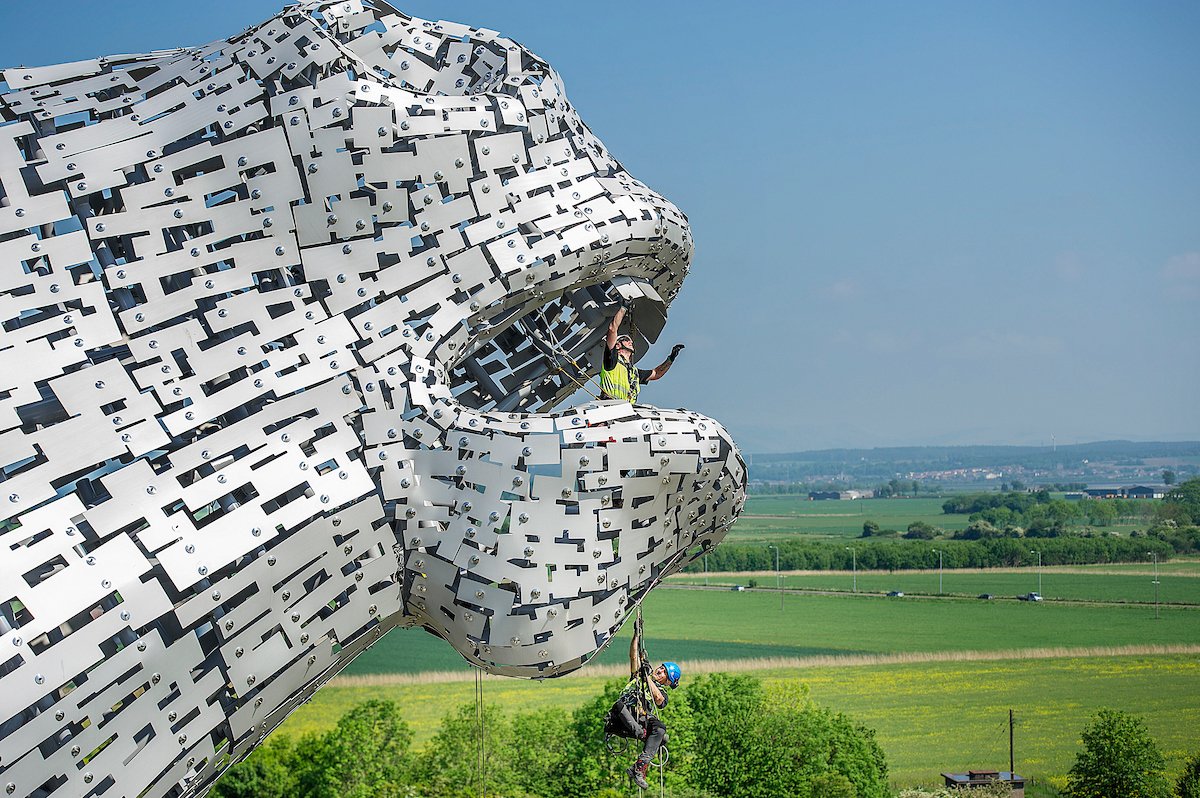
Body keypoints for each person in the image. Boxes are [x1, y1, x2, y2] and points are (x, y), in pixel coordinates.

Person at [604, 617, 682, 789]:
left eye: (663, 672)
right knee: (650, 733)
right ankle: (651, 739)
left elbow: (658, 698)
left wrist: (647, 677)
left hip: (638, 719)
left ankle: (639, 768)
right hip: (622, 713)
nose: (659, 670)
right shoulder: (639, 675)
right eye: (660, 668)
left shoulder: (660, 691)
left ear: (667, 681)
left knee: (660, 728)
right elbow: (634, 655)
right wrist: (636, 634)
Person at [599, 302, 684, 403]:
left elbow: (656, 373)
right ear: (617, 345)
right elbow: (612, 329)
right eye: (626, 340)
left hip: (626, 409)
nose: (630, 342)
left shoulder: (634, 373)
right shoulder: (611, 361)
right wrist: (623, 308)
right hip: (609, 405)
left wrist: (670, 359)